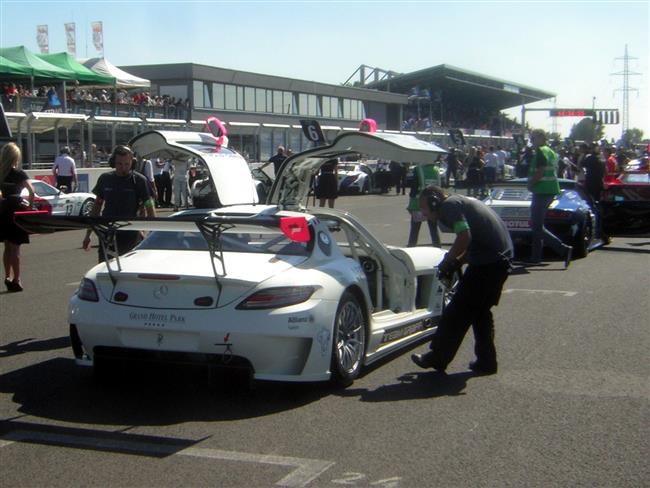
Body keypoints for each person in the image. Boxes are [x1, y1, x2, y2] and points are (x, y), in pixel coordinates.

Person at [411, 185, 513, 375]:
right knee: (480, 313)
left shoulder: (449, 206)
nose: (424, 214)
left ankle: (437, 357)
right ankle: (487, 362)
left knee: (457, 311)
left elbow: (465, 236)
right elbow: (474, 240)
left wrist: (448, 261)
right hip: (498, 260)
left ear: (434, 202)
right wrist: (458, 261)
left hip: (489, 263)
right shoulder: (459, 201)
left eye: (424, 208)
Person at [82, 145, 156, 262]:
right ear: (113, 163)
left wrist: (152, 235)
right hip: (107, 234)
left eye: (127, 164)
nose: (123, 168)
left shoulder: (140, 181)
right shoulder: (105, 179)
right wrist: (88, 235)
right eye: (119, 164)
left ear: (133, 162)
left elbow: (150, 207)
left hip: (131, 234)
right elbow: (97, 206)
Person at [526, 129, 572, 267]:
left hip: (542, 190)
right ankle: (536, 257)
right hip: (548, 190)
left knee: (536, 225)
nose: (531, 142)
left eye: (533, 139)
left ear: (541, 138)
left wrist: (530, 183)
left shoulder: (541, 151)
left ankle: (563, 249)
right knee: (537, 225)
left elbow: (540, 171)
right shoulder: (550, 151)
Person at [0, 142, 34, 292]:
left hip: (2, 211)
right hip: (16, 209)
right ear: (16, 157)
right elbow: (31, 191)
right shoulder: (19, 174)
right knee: (15, 248)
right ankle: (17, 279)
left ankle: (7, 276)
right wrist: (30, 206)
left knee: (7, 247)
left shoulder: (1, 172)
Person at [407, 161, 441, 247]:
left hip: (418, 204)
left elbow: (414, 189)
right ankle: (437, 247)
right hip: (432, 204)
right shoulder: (436, 169)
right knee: (433, 229)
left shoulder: (418, 169)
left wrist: (411, 201)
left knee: (415, 229)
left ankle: (411, 247)